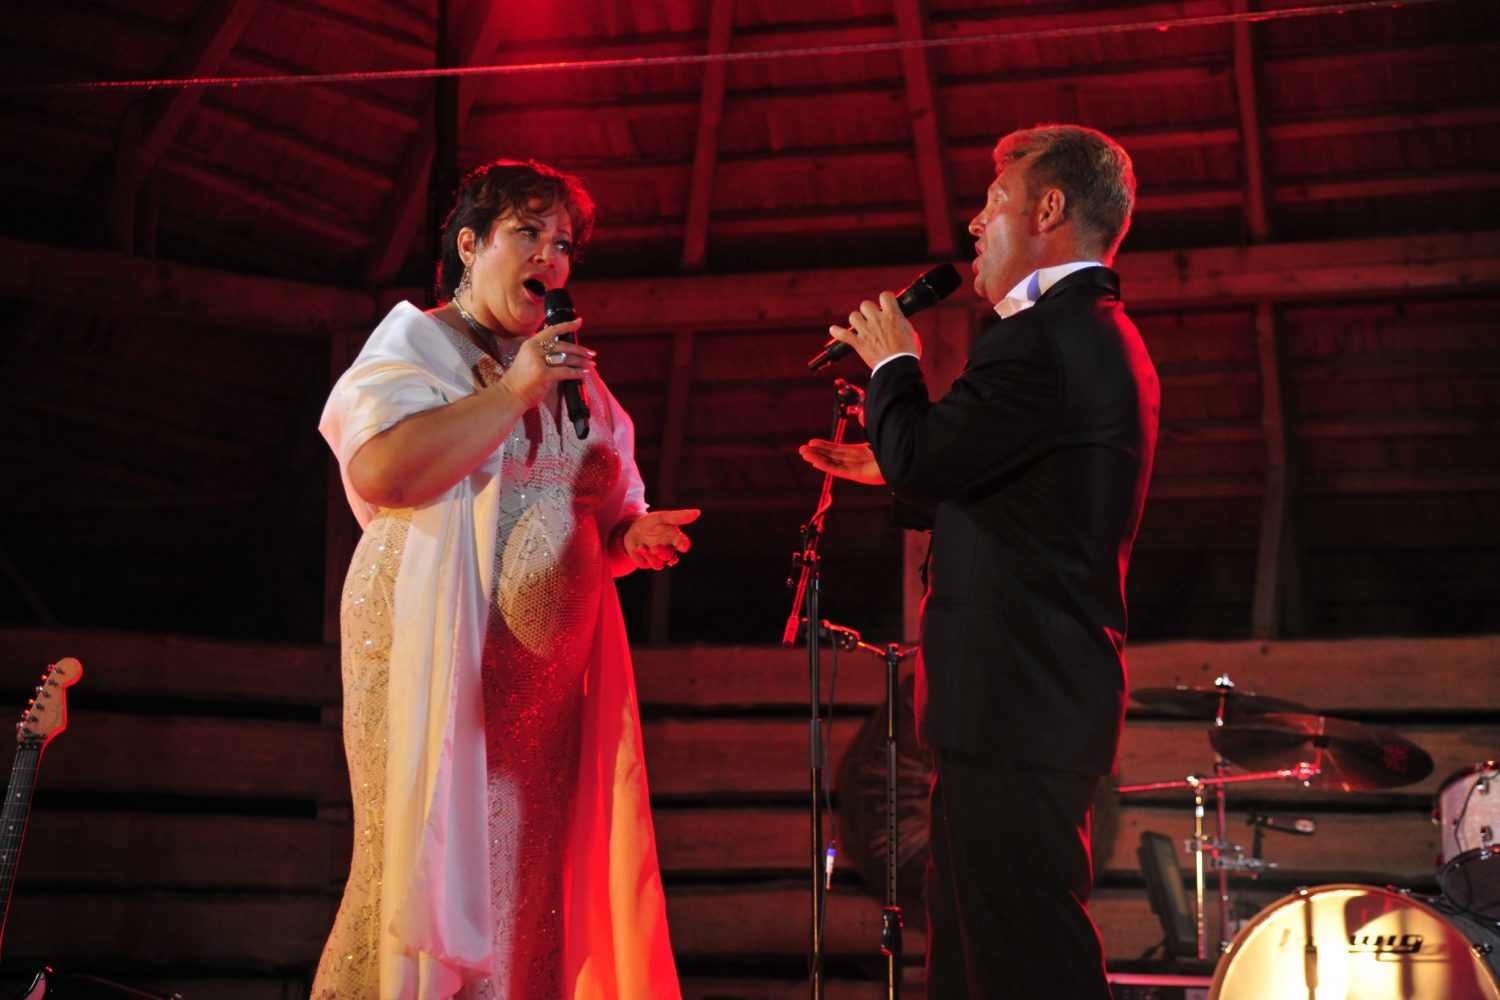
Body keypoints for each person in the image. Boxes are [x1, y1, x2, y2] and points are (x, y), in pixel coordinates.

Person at [313, 159, 693, 1000]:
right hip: (434, 661)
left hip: (545, 703)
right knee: (417, 869)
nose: (551, 257)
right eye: (528, 233)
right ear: (470, 245)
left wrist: (634, 534)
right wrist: (517, 388)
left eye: (564, 244)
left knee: (528, 879)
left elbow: (600, 503)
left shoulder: (573, 371)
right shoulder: (418, 345)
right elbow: (383, 472)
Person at [800, 124, 1159, 997]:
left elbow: (932, 456)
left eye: (994, 201)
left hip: (1017, 695)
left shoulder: (1047, 337)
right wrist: (900, 462)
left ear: (1048, 209)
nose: (973, 224)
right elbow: (1017, 493)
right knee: (975, 957)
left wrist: (894, 364)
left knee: (1026, 959)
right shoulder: (1083, 333)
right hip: (1015, 699)